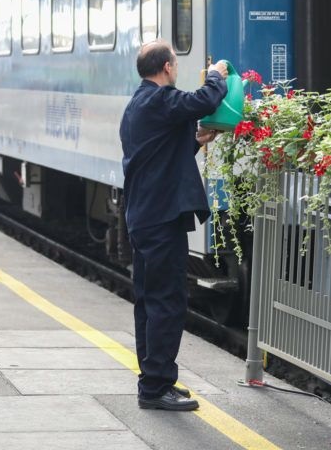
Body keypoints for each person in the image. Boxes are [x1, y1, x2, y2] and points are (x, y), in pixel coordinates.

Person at [119, 40, 228, 412]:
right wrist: (216, 76)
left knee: (150, 301)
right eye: (176, 66)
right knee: (167, 302)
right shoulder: (159, 100)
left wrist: (194, 142)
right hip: (160, 219)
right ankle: (154, 387)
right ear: (167, 67)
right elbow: (205, 100)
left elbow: (156, 157)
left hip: (145, 215)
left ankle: (154, 380)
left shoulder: (137, 104)